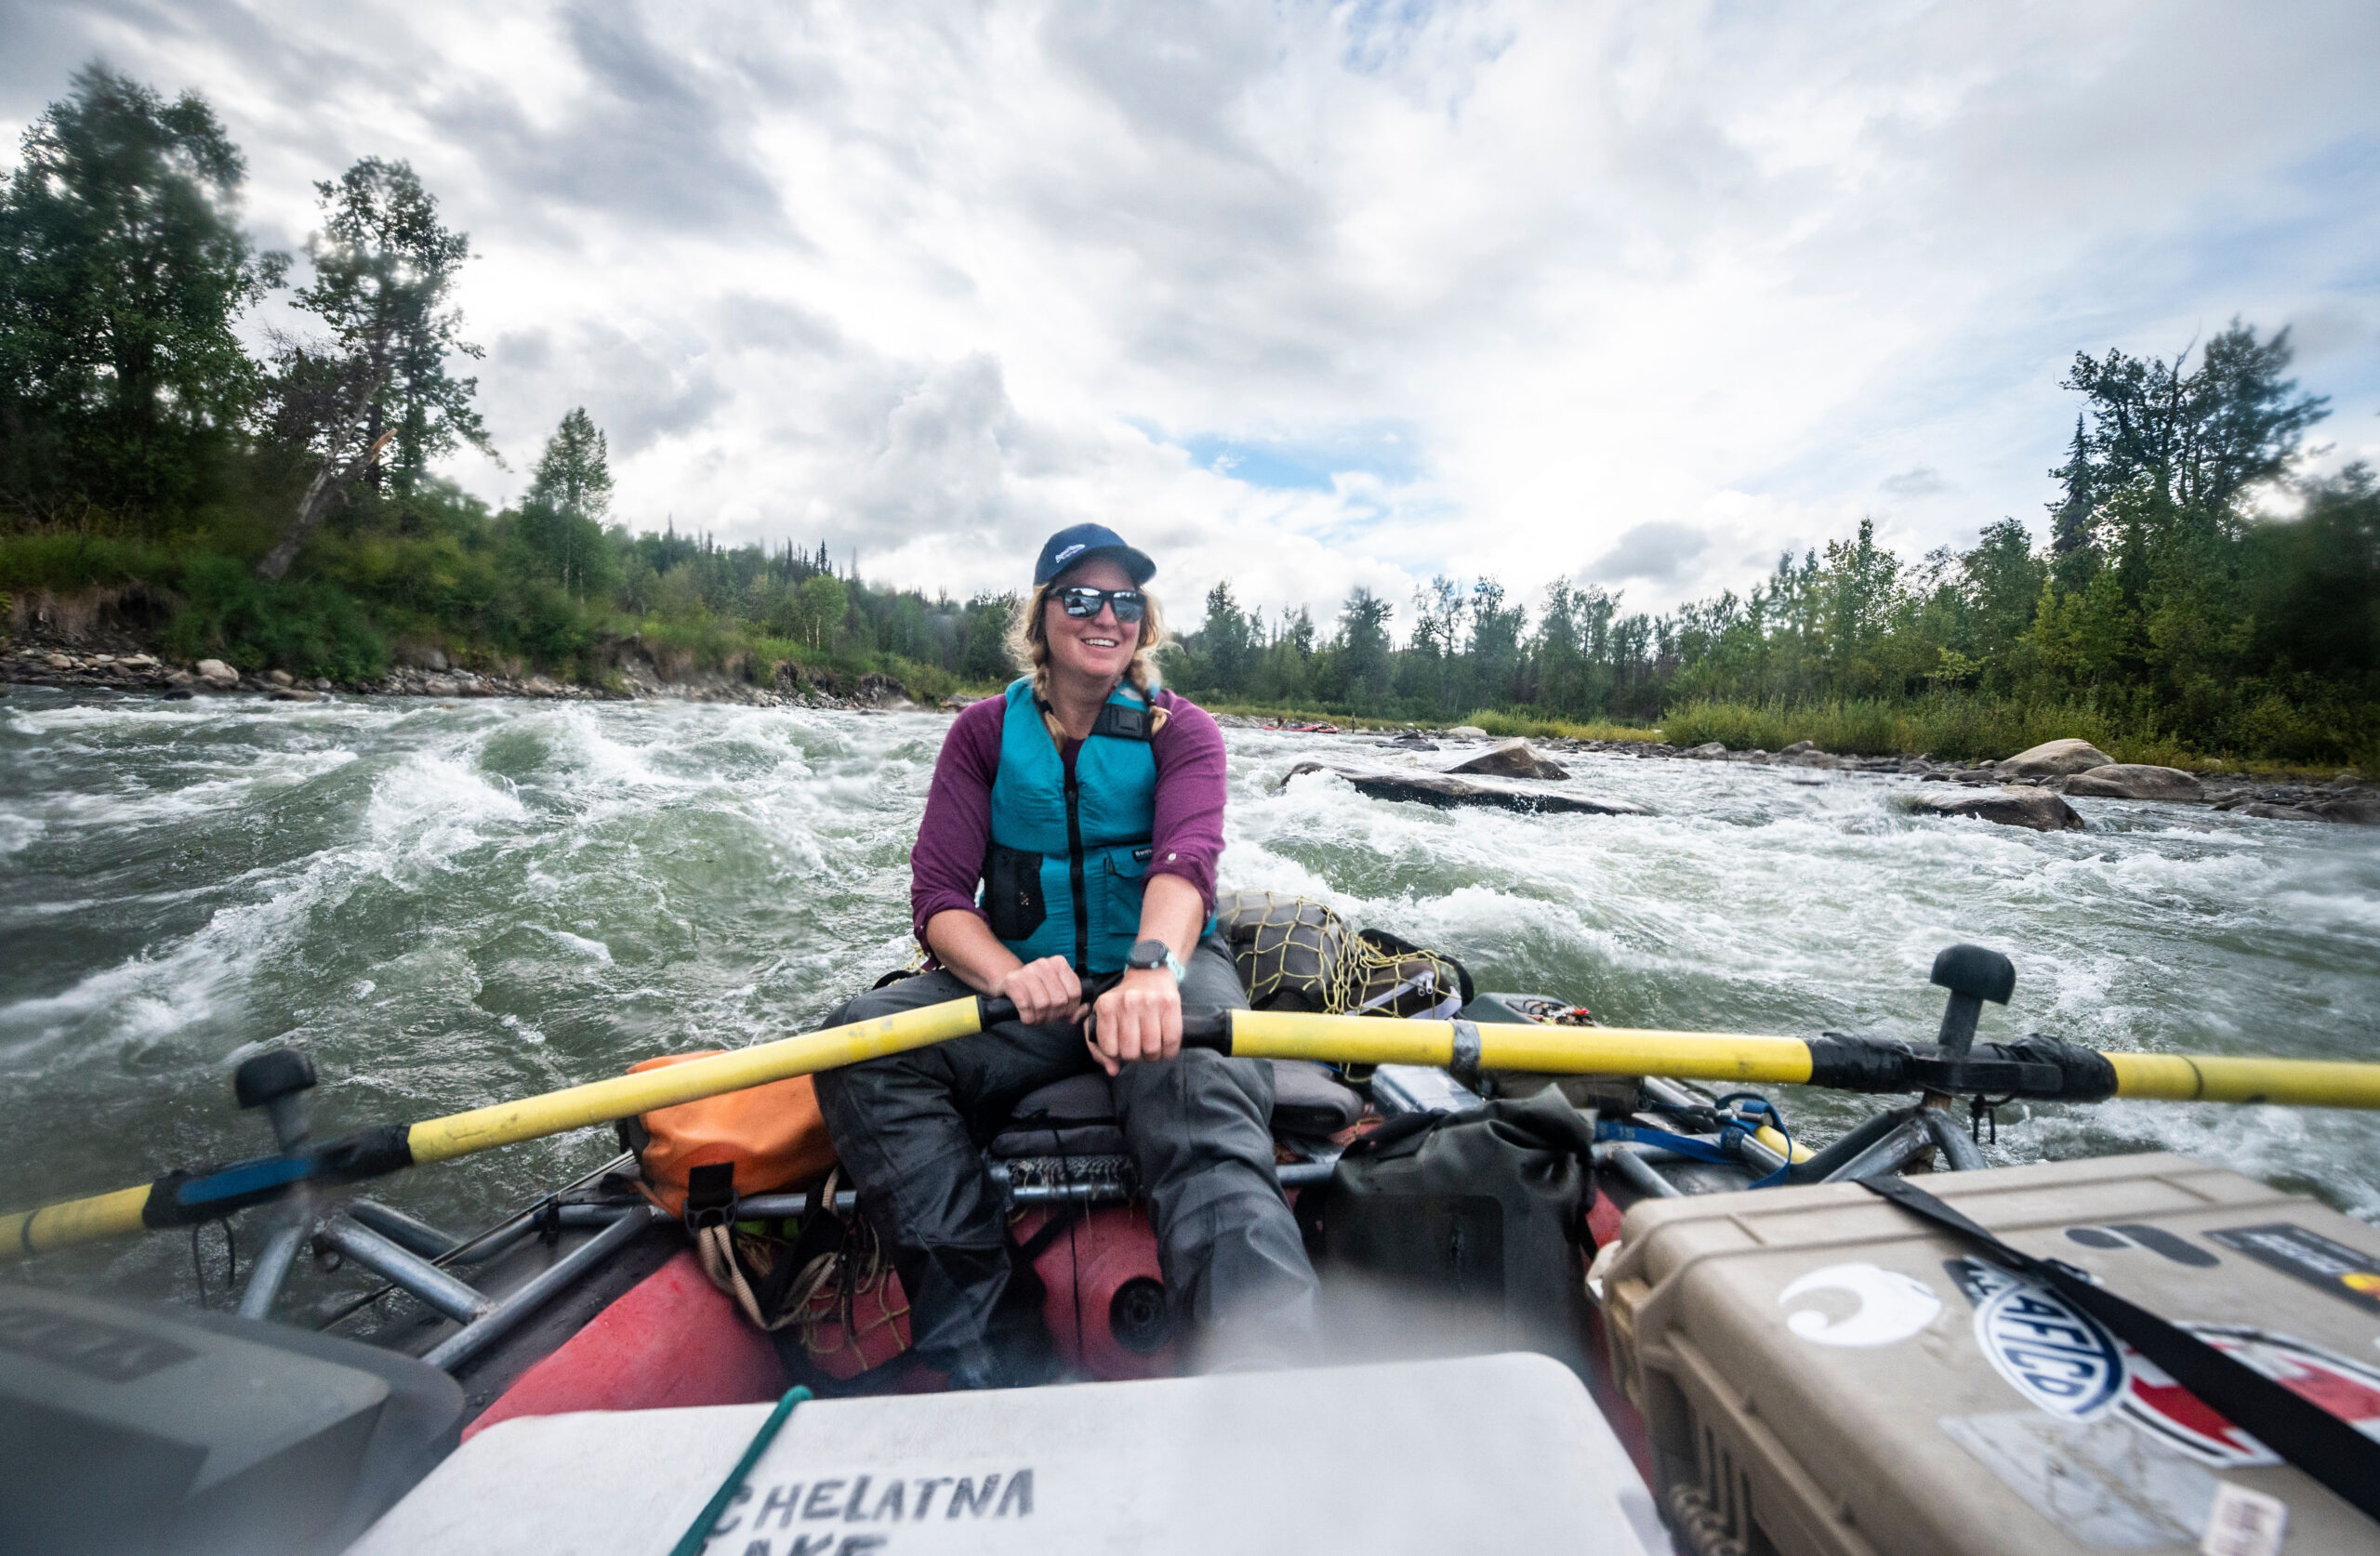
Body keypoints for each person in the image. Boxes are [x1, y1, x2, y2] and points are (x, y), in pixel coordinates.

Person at [813, 522, 1319, 1387]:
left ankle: (1266, 1377)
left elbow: (1186, 864)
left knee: (1195, 1084)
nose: (1105, 616)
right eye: (1080, 597)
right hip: (1028, 990)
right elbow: (937, 897)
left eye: (1124, 601)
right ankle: (1002, 1360)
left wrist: (1150, 972)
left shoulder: (1183, 733)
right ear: (1043, 616)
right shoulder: (980, 735)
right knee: (866, 1046)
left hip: (1161, 970)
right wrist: (1009, 975)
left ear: (1143, 622)